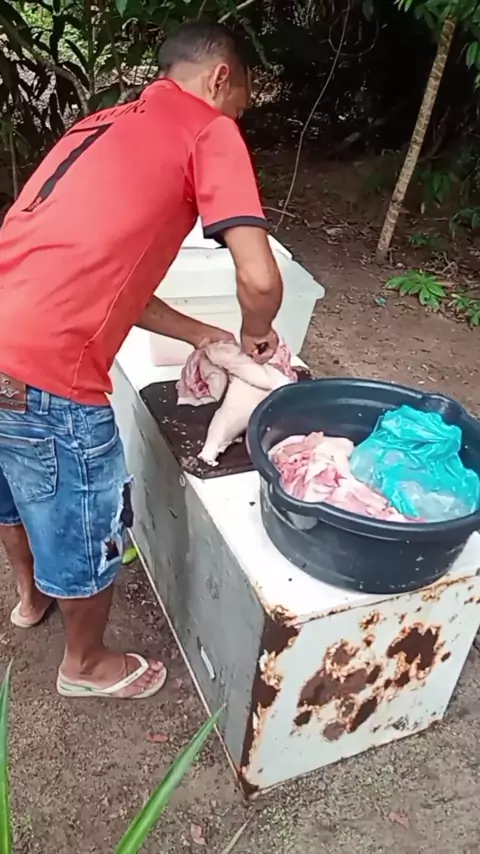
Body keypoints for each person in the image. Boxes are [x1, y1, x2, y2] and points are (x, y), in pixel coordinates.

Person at [0, 20, 283, 700]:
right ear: (221, 77)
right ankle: (84, 665)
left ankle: (30, 598)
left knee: (15, 480)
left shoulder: (98, 125)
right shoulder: (208, 129)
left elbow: (102, 275)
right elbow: (260, 278)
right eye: (241, 102)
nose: (237, 117)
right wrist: (257, 335)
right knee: (87, 519)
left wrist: (199, 333)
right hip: (48, 370)